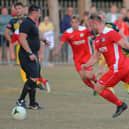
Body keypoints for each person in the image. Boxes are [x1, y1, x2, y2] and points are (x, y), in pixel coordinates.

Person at [81, 15, 129, 118]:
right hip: (122, 67)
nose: (90, 28)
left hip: (118, 68)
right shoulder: (98, 39)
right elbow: (95, 57)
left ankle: (121, 105)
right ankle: (120, 105)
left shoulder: (110, 33)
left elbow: (125, 45)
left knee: (98, 88)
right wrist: (85, 66)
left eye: (90, 25)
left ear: (95, 23)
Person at [53, 16, 97, 94]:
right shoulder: (67, 33)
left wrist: (95, 48)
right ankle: (94, 88)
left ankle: (98, 83)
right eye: (72, 22)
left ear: (78, 23)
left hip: (87, 57)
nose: (74, 24)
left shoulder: (84, 30)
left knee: (89, 75)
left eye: (75, 22)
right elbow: (61, 43)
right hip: (77, 59)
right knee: (83, 78)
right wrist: (57, 51)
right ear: (70, 23)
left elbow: (93, 36)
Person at [17, 4, 45, 109]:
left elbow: (35, 36)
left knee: (34, 77)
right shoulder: (26, 23)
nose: (40, 14)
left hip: (33, 54)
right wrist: (29, 53)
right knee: (33, 77)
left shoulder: (33, 23)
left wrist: (43, 40)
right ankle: (20, 100)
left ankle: (32, 103)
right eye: (39, 12)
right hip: (27, 55)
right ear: (34, 12)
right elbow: (22, 39)